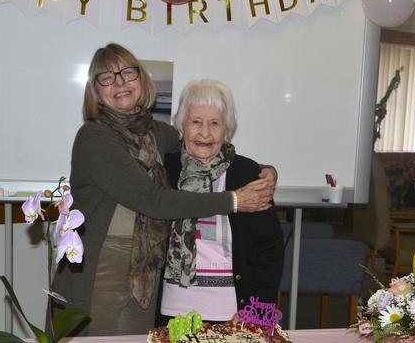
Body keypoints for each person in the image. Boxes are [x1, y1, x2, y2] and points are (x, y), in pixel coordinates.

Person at [53, 43, 276, 336]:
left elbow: (206, 149)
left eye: (127, 73)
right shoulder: (94, 137)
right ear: (95, 91)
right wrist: (233, 201)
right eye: (106, 77)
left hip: (146, 273)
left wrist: (268, 172)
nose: (119, 82)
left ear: (141, 80)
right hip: (101, 270)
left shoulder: (159, 135)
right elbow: (153, 200)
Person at [158, 79, 284, 325]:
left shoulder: (247, 173)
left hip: (233, 313)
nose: (205, 133)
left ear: (227, 130)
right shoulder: (164, 170)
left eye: (214, 123)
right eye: (196, 122)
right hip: (172, 309)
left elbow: (269, 249)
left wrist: (256, 309)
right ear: (181, 126)